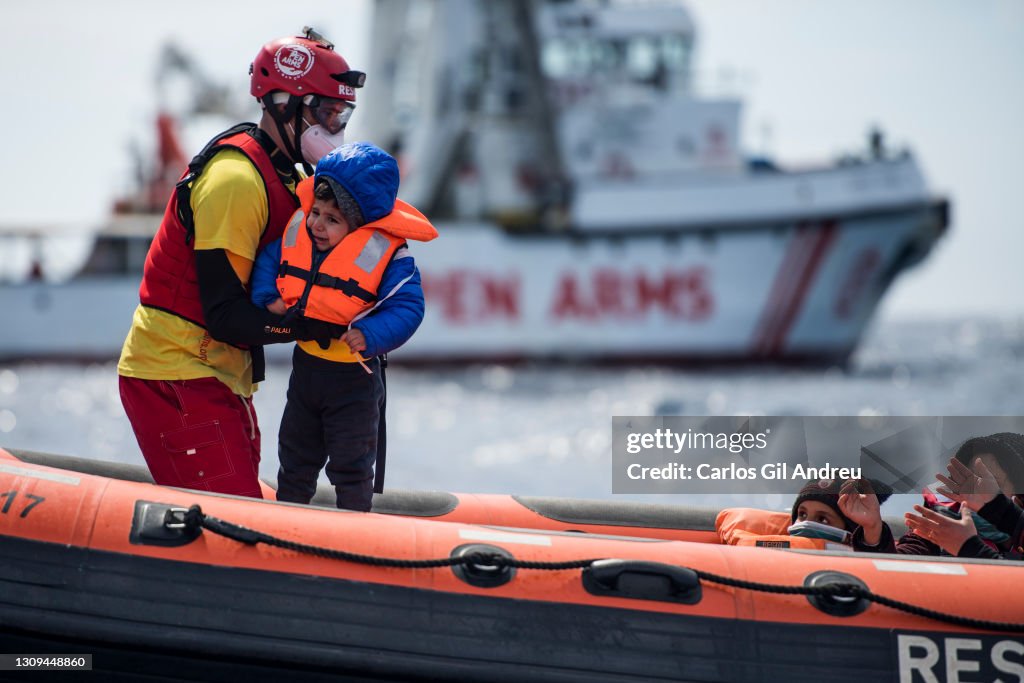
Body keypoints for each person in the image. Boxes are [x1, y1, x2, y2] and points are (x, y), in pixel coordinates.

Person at [118, 29, 366, 498]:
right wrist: (314, 326)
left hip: (219, 374)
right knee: (232, 520)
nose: (333, 129)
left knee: (247, 507)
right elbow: (226, 315)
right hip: (176, 374)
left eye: (342, 115)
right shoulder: (236, 180)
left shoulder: (289, 174)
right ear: (282, 105)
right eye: (325, 113)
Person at [250, 142, 438, 510]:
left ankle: (353, 523)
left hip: (354, 379)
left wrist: (370, 335)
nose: (317, 224)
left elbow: (409, 306)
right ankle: (289, 515)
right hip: (307, 369)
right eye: (315, 212)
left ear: (358, 226)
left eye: (332, 219)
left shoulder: (388, 256)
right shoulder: (299, 234)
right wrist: (266, 298)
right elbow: (269, 261)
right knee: (295, 453)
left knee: (351, 462)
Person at [901, 433, 1024, 559]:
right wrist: (880, 539)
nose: (979, 491)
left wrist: (968, 547)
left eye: (992, 483)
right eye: (971, 480)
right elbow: (901, 559)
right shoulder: (942, 521)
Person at [789, 478, 895, 552]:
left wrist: (872, 530)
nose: (806, 524)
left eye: (822, 519)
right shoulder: (775, 548)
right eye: (802, 514)